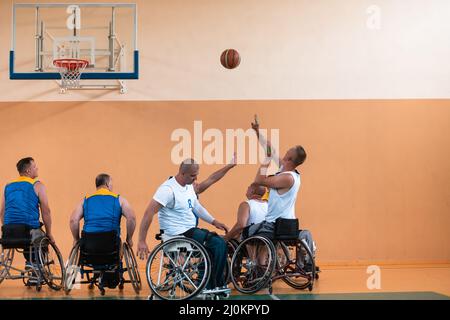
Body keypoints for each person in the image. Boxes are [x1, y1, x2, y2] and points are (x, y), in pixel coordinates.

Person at [137, 158, 229, 291]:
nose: (196, 178)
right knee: (218, 243)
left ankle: (206, 283)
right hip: (177, 233)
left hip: (189, 230)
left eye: (196, 174)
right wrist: (141, 240)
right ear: (182, 173)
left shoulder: (189, 187)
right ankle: (216, 285)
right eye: (193, 175)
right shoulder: (167, 189)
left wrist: (214, 221)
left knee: (213, 248)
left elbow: (196, 207)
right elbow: (148, 214)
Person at [250, 117, 317, 267]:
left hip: (275, 225)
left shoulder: (287, 178)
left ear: (289, 158)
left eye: (288, 151)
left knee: (247, 232)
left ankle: (257, 269)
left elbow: (259, 180)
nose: (285, 151)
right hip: (285, 223)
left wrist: (266, 161)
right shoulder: (285, 169)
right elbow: (270, 149)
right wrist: (257, 131)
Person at [0, 157, 54, 274]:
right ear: (28, 171)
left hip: (8, 232)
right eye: (35, 166)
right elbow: (46, 212)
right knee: (40, 238)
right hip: (28, 231)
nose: (37, 168)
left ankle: (31, 263)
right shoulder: (37, 185)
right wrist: (49, 233)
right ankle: (35, 266)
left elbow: (2, 212)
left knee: (28, 238)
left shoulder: (8, 186)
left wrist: (9, 228)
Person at [69, 174, 136, 248]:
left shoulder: (85, 200)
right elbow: (131, 218)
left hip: (89, 244)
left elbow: (73, 220)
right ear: (107, 184)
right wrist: (129, 239)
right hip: (111, 244)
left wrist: (76, 239)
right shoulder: (119, 200)